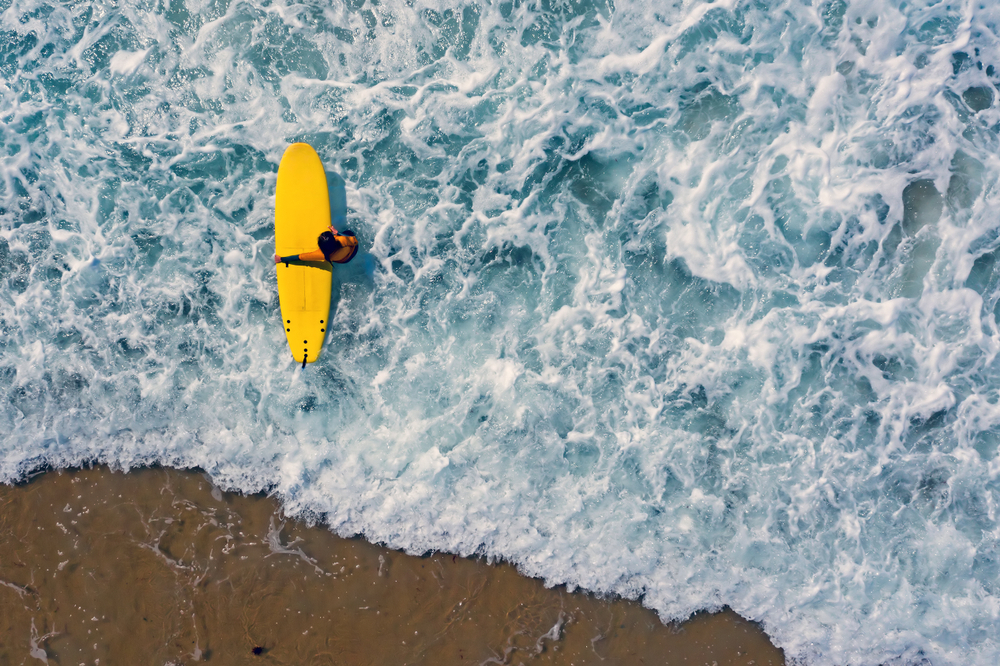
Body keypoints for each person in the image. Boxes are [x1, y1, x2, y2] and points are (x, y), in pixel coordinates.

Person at [275, 226, 358, 265]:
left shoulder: (322, 255)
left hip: (344, 261)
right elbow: (355, 241)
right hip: (353, 250)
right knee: (349, 232)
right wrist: (338, 233)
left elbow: (301, 257)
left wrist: (281, 259)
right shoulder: (342, 240)